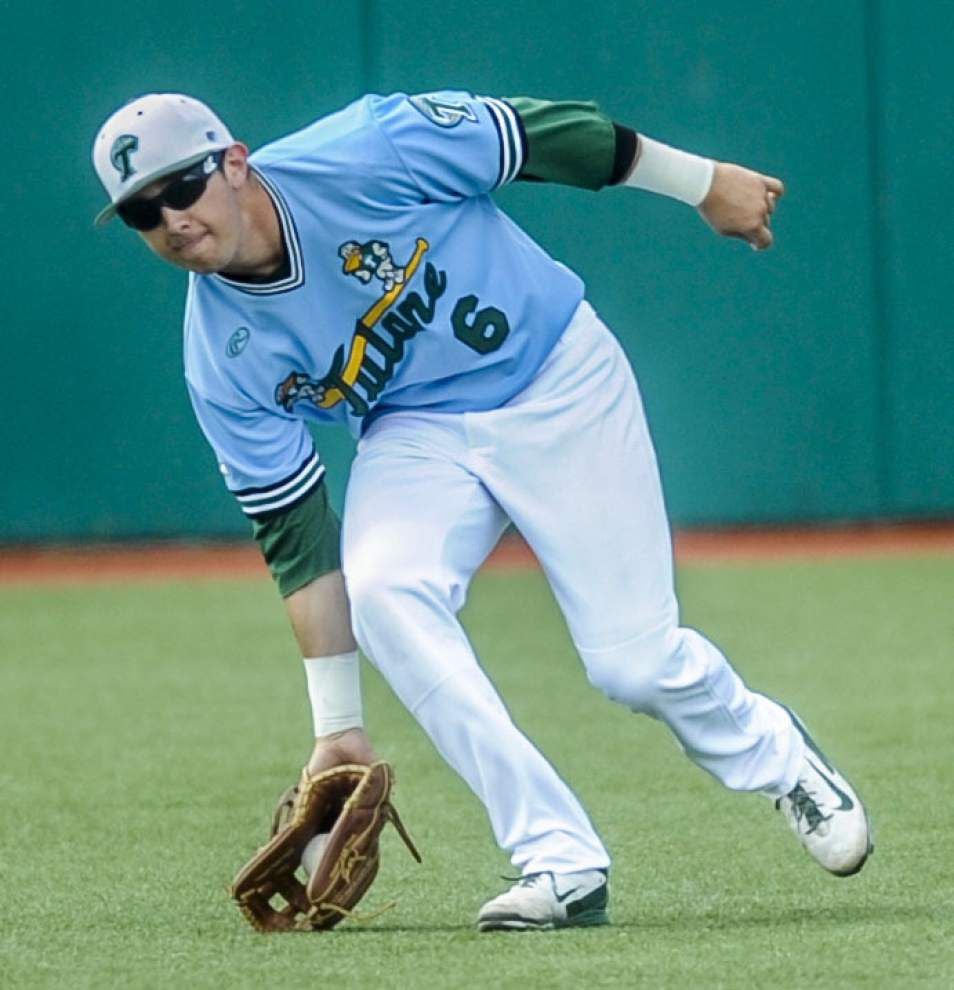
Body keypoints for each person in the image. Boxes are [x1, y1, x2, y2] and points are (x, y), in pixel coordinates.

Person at [92, 90, 872, 931]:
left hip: (556, 377)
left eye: (181, 187)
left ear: (235, 161)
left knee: (633, 664)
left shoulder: (365, 149)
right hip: (415, 428)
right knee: (385, 590)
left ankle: (781, 759)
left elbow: (544, 136)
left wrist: (704, 182)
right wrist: (341, 727)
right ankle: (558, 859)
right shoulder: (219, 356)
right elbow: (296, 539)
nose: (169, 218)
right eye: (142, 210)